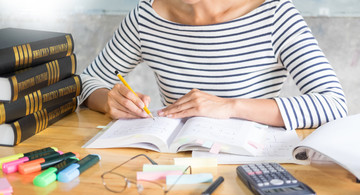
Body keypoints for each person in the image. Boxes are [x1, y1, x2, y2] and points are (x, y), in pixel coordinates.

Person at [80, 0, 348, 130]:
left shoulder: (275, 15)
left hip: (249, 164)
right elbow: (87, 82)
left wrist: (230, 106)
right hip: (176, 165)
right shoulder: (145, 18)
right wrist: (108, 101)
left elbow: (333, 105)